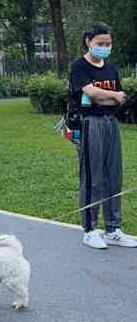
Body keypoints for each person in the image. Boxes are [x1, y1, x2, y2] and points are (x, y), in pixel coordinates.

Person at [68, 23, 135, 249]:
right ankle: (89, 229)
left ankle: (113, 229)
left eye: (108, 44)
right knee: (92, 178)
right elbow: (92, 95)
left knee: (113, 176)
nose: (105, 47)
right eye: (100, 43)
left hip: (110, 123)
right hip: (89, 125)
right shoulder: (79, 67)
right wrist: (111, 95)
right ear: (89, 41)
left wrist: (106, 97)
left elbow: (115, 99)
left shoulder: (111, 69)